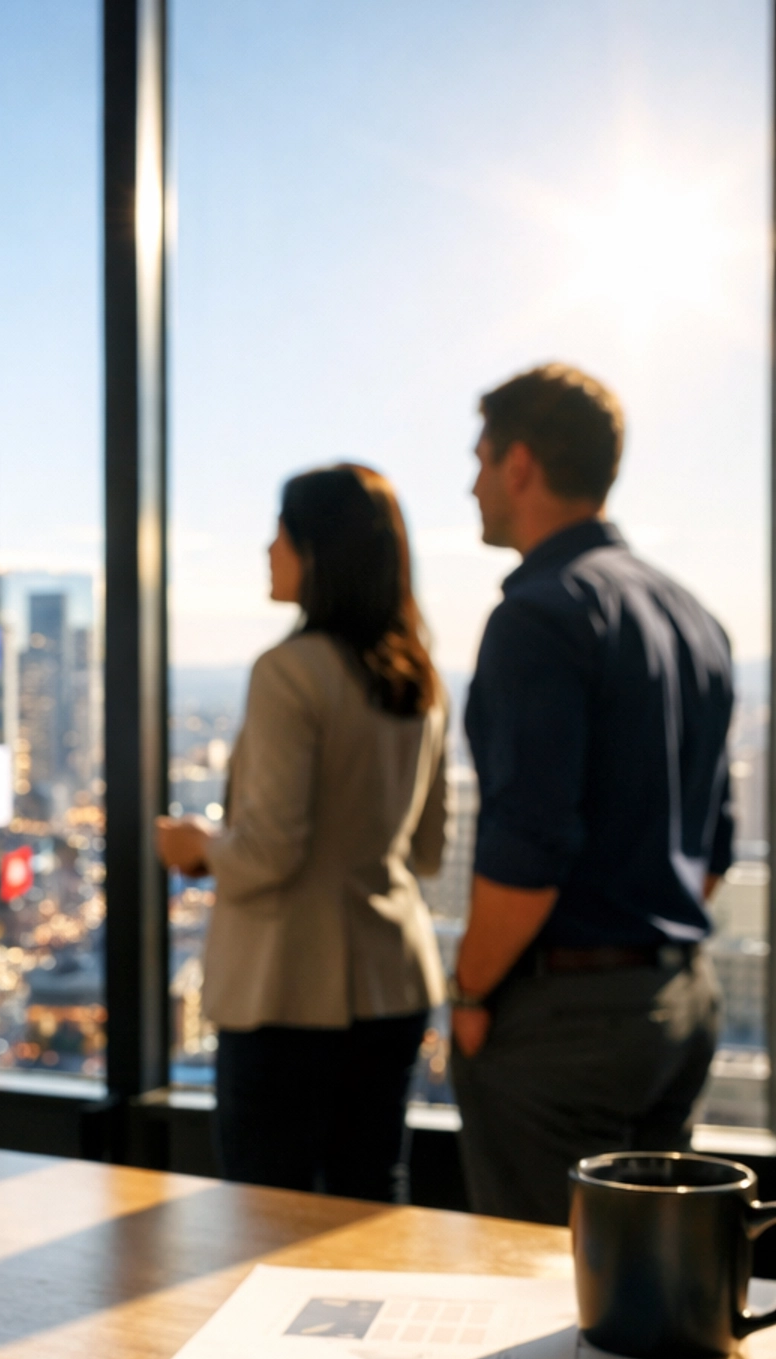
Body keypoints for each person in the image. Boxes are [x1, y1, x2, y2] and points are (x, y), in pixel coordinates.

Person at [450, 364, 733, 1225]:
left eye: (480, 460)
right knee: (644, 1273)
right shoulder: (694, 617)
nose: (472, 485)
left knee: (538, 1276)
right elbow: (715, 845)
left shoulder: (540, 615)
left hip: (565, 1024)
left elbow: (529, 848)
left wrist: (470, 991)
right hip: (679, 1002)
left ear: (520, 465)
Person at [156, 463, 446, 1202]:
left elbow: (270, 853)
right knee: (368, 1202)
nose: (268, 549)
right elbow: (429, 848)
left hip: (287, 989)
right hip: (392, 978)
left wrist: (197, 848)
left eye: (280, 534)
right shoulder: (418, 678)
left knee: (266, 1209)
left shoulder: (288, 672)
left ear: (316, 551)